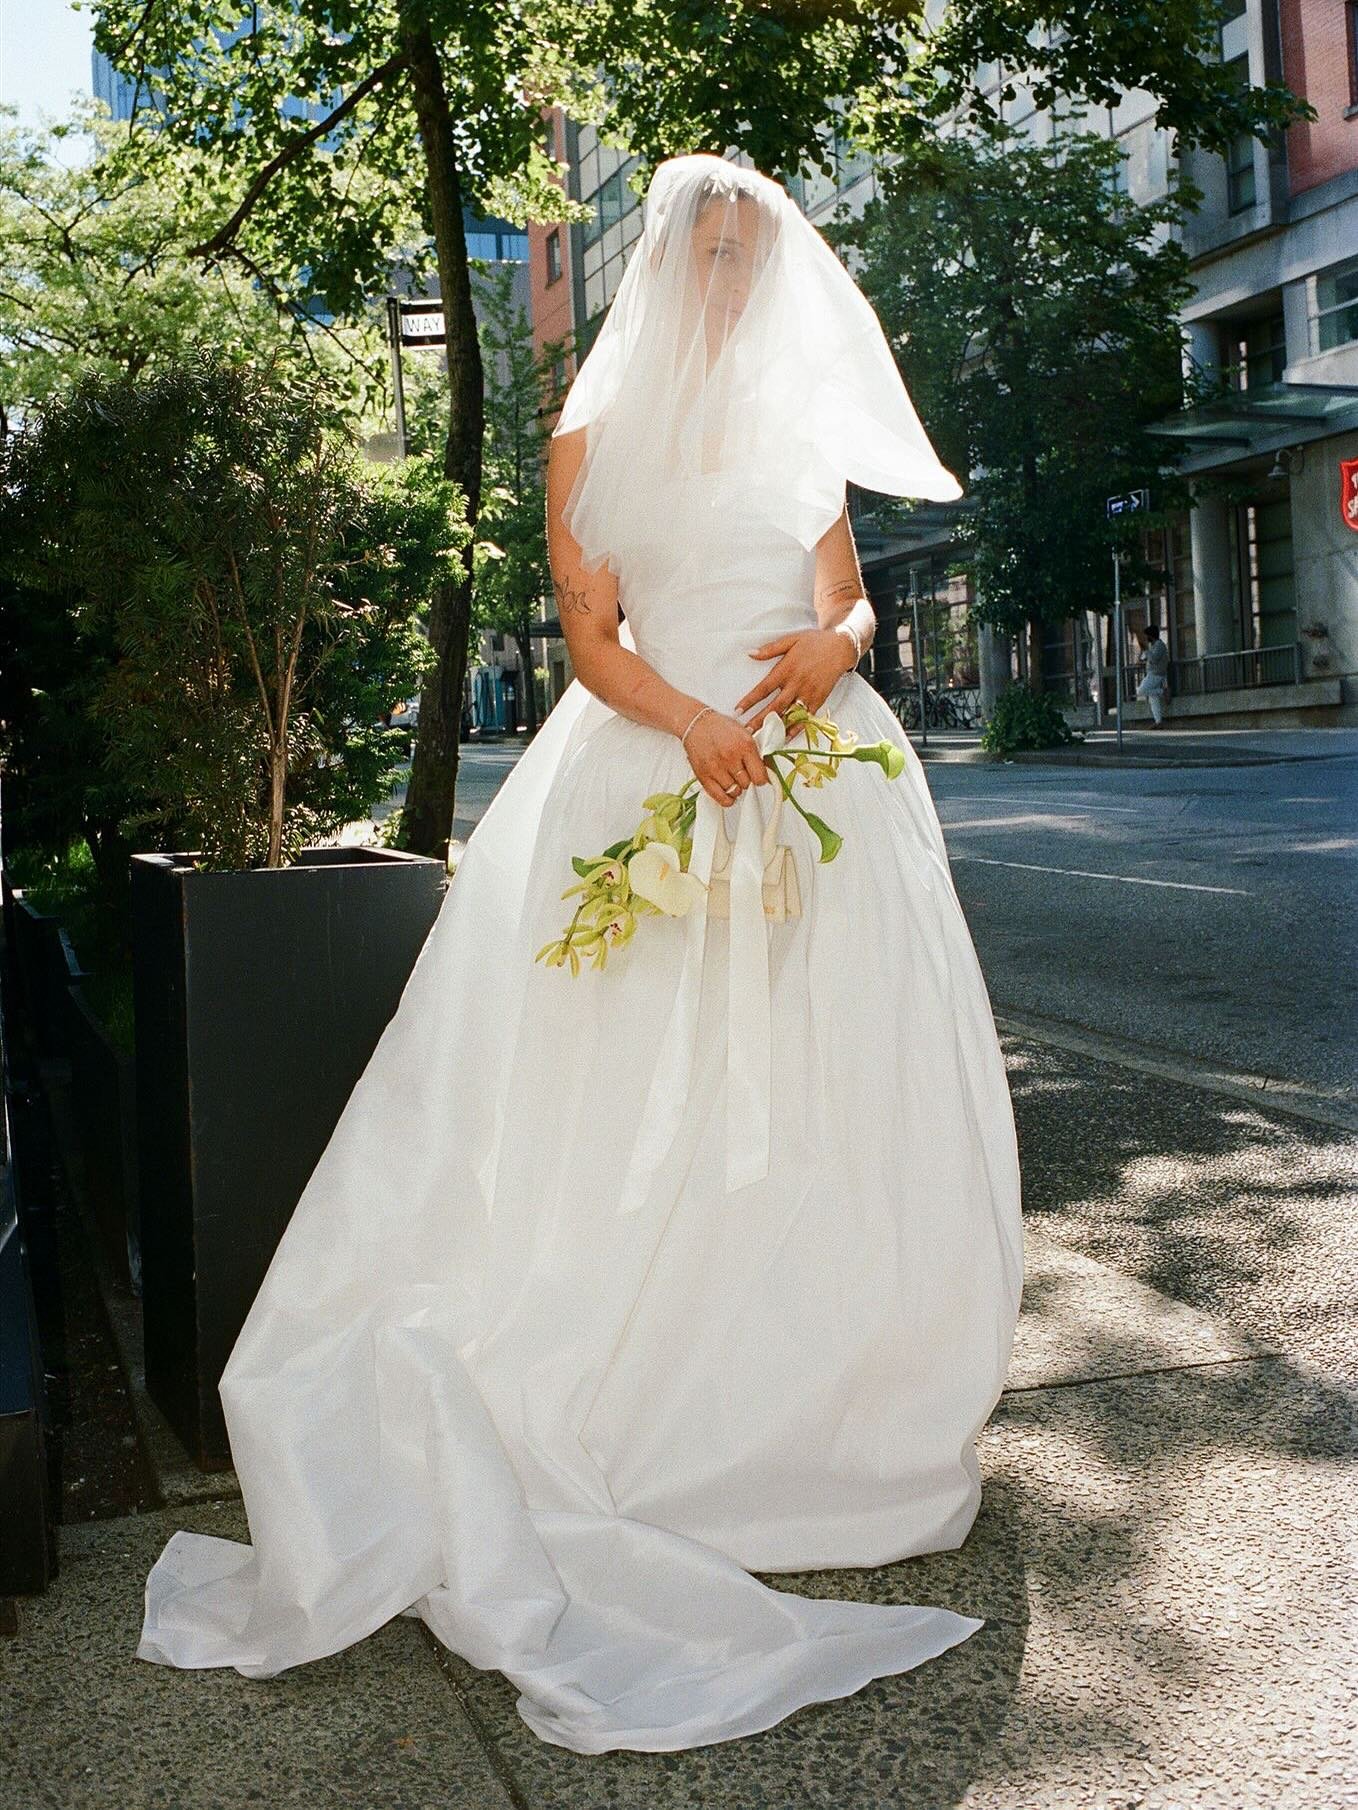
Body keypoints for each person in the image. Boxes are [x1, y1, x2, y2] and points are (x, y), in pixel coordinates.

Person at [135, 154, 1024, 1755]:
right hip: (648, 765)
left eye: (755, 255)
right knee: (615, 1089)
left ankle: (813, 1400)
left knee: (834, 1082)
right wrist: (694, 725)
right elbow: (591, 630)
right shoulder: (586, 432)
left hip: (814, 768)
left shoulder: (799, 428)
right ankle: (637, 1394)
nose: (733, 278)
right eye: (711, 253)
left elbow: (852, 601)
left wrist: (835, 650)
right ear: (664, 266)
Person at [1135, 621, 1171, 725]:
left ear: (1151, 635)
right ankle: (1158, 721)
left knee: (1141, 691)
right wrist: (1144, 653)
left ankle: (1163, 692)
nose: (1146, 638)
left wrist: (1146, 650)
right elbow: (1145, 658)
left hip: (1156, 674)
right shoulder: (1154, 646)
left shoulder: (1160, 645)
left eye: (1147, 636)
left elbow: (1154, 659)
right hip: (1152, 673)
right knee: (1153, 698)